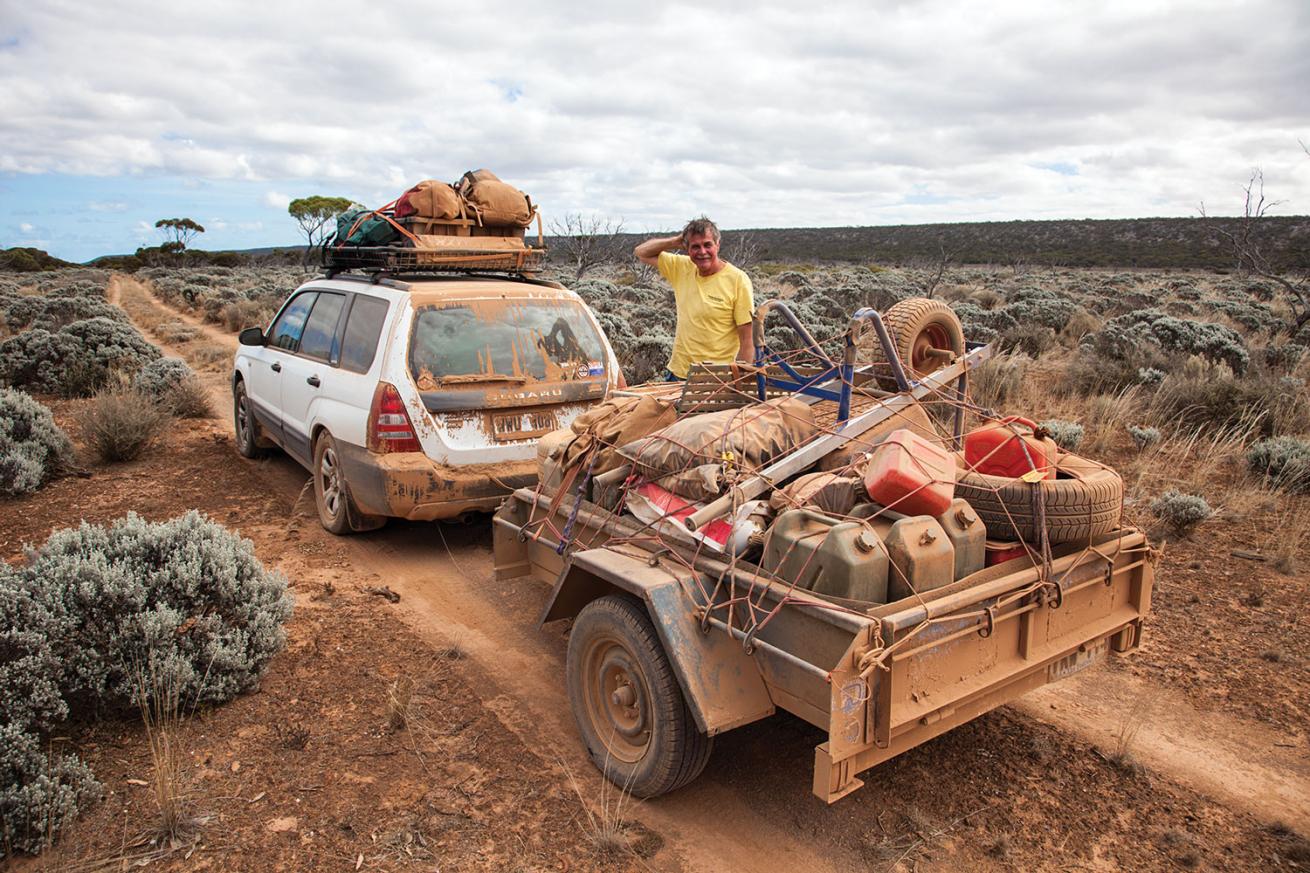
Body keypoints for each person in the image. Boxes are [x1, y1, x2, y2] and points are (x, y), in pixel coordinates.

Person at [634, 217, 754, 380]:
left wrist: (739, 381)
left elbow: (747, 340)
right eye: (695, 246)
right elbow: (641, 252)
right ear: (687, 248)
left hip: (717, 379)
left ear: (717, 245)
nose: (702, 252)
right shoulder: (682, 268)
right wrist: (675, 241)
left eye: (707, 245)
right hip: (679, 373)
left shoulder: (738, 280)